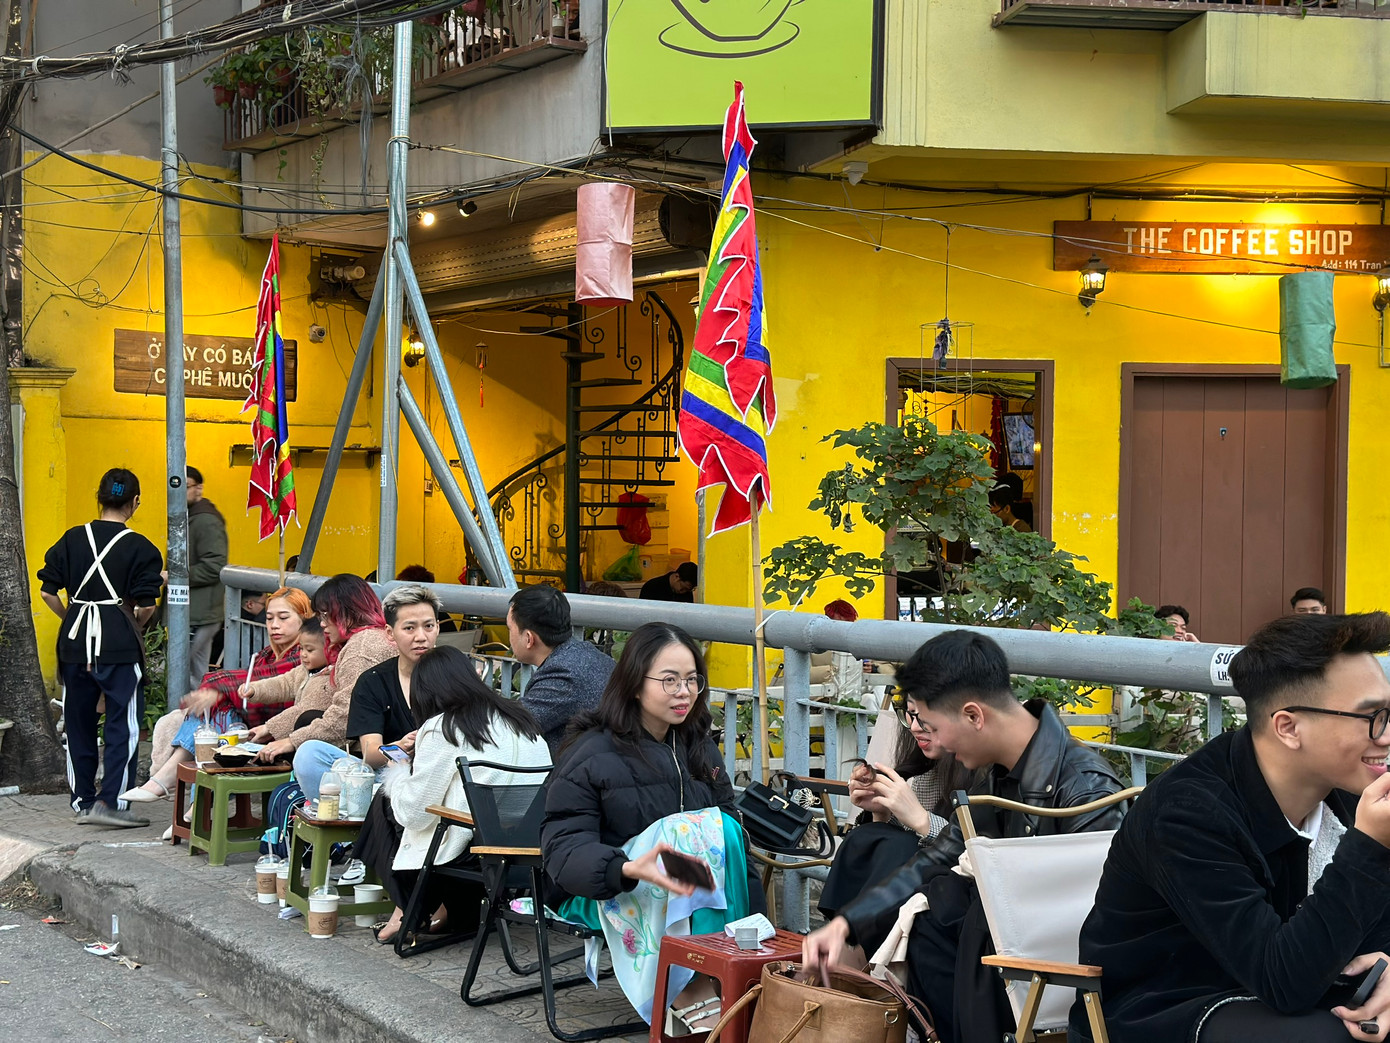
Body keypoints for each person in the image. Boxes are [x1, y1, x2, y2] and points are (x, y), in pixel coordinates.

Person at [1072, 613, 1390, 1043]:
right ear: (1289, 727)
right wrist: (1369, 847)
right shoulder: (1187, 813)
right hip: (1169, 1008)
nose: (1386, 734)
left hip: (1300, 989)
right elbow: (1284, 983)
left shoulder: (1351, 789)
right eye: (1372, 717)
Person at [802, 630, 1125, 1043]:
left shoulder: (1085, 787)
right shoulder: (998, 772)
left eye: (934, 725)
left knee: (953, 903)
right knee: (936, 902)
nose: (935, 741)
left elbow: (1100, 916)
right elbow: (937, 855)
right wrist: (846, 922)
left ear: (973, 715)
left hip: (1058, 977)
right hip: (1006, 961)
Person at [541, 622, 761, 1033]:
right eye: (669, 680)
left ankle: (716, 970)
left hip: (688, 889)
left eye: (693, 680)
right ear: (634, 683)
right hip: (609, 888)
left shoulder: (697, 745)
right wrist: (623, 868)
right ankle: (691, 984)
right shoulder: (593, 751)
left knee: (714, 826)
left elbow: (728, 829)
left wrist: (755, 920)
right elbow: (562, 847)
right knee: (680, 833)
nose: (684, 692)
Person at [357, 646, 550, 945]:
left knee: (386, 800)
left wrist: (400, 769)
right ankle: (444, 911)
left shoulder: (444, 726)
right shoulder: (520, 718)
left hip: (475, 847)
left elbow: (413, 811)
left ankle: (406, 910)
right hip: (529, 843)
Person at [38, 468, 164, 828]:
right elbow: (146, 605)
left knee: (78, 721)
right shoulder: (141, 547)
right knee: (122, 722)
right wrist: (131, 626)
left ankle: (83, 801)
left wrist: (71, 617)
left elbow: (48, 591)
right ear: (135, 502)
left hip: (75, 641)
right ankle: (111, 803)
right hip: (118, 644)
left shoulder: (71, 539)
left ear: (100, 498)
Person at [122, 586, 312, 807]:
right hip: (246, 731)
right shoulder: (265, 654)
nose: (274, 625)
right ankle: (192, 803)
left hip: (276, 737)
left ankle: (172, 786)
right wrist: (217, 694)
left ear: (304, 619)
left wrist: (214, 687)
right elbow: (242, 686)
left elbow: (261, 681)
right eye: (269, 618)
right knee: (215, 711)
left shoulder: (303, 655)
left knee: (217, 710)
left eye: (283, 617)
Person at [817, 692, 974, 921]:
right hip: (921, 893)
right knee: (865, 836)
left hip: (961, 900)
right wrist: (881, 810)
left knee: (898, 847)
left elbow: (980, 857)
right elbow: (905, 837)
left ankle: (850, 943)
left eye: (925, 716)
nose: (914, 727)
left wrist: (924, 822)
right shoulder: (927, 771)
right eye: (910, 714)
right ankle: (846, 940)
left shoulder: (990, 773)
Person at [283, 574, 395, 797]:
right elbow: (326, 701)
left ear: (348, 612)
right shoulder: (364, 640)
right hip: (380, 751)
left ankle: (327, 819)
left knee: (308, 753)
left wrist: (290, 741)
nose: (322, 623)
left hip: (382, 761)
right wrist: (272, 730)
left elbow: (345, 716)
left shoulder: (362, 648)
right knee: (308, 721)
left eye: (325, 615)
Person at [507, 584, 615, 752]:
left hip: (582, 773)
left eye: (510, 629)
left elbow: (512, 727)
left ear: (529, 638)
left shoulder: (562, 675)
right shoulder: (586, 654)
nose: (510, 636)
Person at [186, 465, 229, 693]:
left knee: (180, 672)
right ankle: (198, 721)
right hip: (199, 610)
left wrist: (175, 576)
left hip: (199, 612)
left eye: (185, 486)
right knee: (197, 675)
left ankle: (186, 721)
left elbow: (215, 566)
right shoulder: (193, 517)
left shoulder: (205, 520)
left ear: (199, 489)